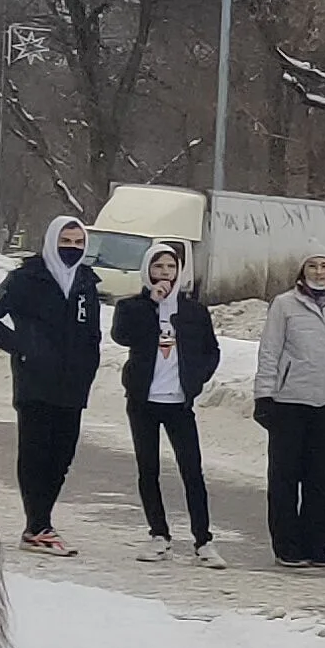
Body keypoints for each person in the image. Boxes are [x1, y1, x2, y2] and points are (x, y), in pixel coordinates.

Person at [0, 212, 106, 555]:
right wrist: (22, 346)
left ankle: (43, 519)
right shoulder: (26, 278)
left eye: (78, 243)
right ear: (52, 241)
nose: (71, 248)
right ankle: (37, 525)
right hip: (35, 382)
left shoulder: (86, 282)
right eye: (65, 242)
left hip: (73, 384)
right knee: (36, 452)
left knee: (63, 455)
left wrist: (89, 366)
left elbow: (92, 332)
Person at [250, 252, 325, 567]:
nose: (319, 272)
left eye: (324, 266)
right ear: (301, 271)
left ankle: (316, 544)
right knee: (285, 475)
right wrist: (264, 395)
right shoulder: (285, 305)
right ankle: (287, 545)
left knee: (320, 478)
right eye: (312, 266)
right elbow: (270, 351)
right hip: (289, 401)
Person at [111, 241, 224, 566]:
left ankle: (203, 540)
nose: (165, 274)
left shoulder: (193, 310)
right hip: (143, 399)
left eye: (171, 267)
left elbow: (211, 350)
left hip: (178, 402)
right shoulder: (133, 306)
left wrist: (196, 379)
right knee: (149, 469)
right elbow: (122, 336)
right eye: (159, 267)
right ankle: (158, 534)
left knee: (192, 470)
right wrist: (151, 303)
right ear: (148, 270)